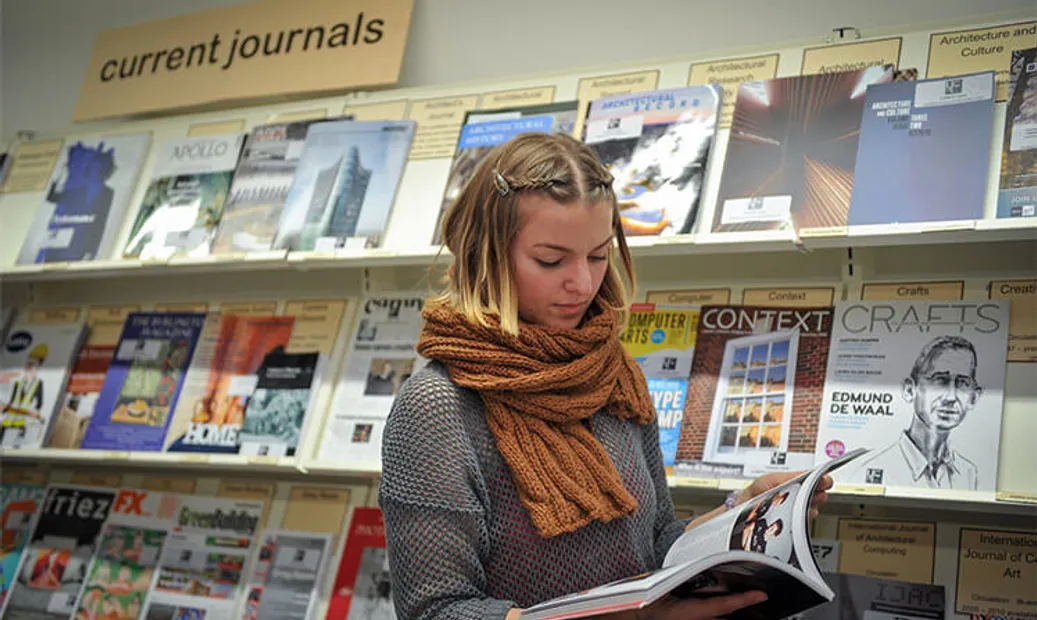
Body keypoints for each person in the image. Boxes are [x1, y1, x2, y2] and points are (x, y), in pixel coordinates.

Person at [378, 133, 831, 620]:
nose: (583, 282)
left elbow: (655, 547)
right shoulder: (436, 406)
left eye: (597, 255)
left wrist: (742, 514)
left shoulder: (615, 373)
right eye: (551, 260)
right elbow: (435, 610)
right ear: (485, 254)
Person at [845, 335, 982, 490]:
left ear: (973, 397)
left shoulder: (968, 473)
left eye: (963, 383)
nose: (951, 397)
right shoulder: (873, 470)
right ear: (910, 390)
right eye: (940, 380)